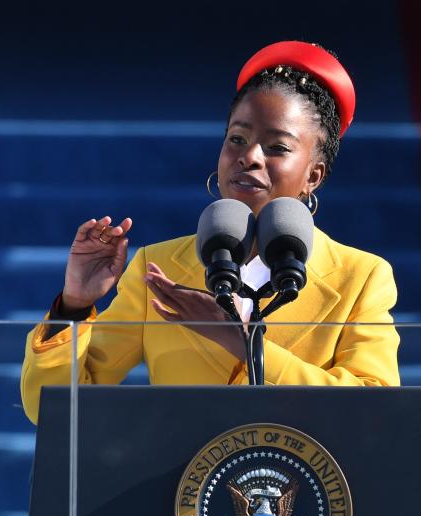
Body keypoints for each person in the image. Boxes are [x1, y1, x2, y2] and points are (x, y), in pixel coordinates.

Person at [20, 41, 401, 424]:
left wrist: (242, 341)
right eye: (237, 138)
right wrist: (72, 306)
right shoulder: (158, 267)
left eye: (276, 147)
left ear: (313, 176)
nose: (249, 156)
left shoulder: (361, 277)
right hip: (183, 483)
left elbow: (375, 412)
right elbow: (52, 412)